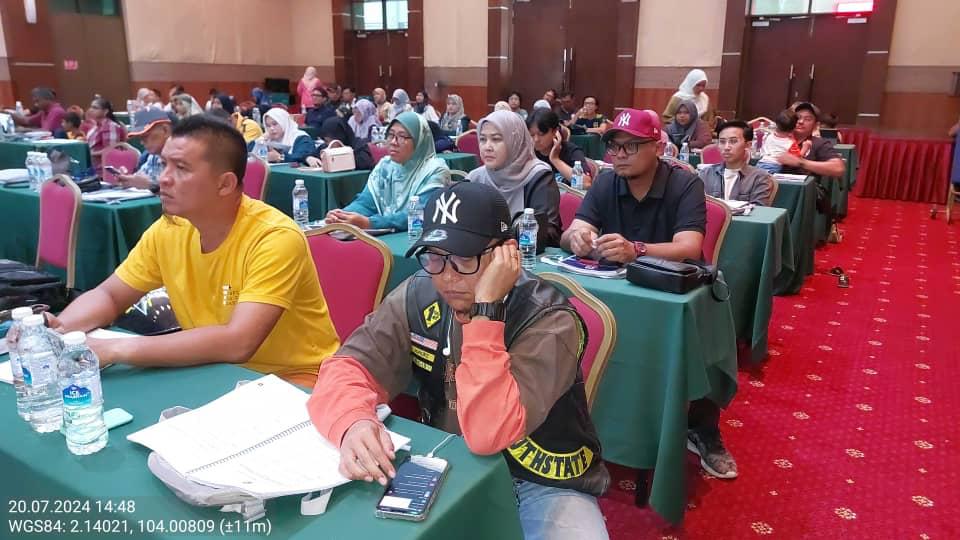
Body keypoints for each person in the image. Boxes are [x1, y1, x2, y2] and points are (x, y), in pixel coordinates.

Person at [309, 180, 611, 540]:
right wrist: (353, 423)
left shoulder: (549, 319)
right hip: (449, 458)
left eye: (465, 259)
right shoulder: (419, 292)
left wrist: (485, 313)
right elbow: (346, 368)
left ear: (506, 255)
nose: (448, 276)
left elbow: (488, 433)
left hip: (542, 480)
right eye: (435, 257)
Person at [46, 115, 340, 386]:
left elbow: (238, 342)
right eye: (164, 164)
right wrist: (58, 332)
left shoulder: (274, 237)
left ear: (225, 184)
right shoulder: (170, 229)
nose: (164, 178)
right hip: (215, 371)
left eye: (181, 168)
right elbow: (110, 295)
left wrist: (115, 349)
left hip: (296, 382)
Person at [560, 109, 738, 479]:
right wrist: (576, 238)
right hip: (619, 288)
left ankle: (702, 429)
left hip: (676, 291)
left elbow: (689, 246)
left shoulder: (684, 184)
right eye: (614, 147)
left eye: (631, 146)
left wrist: (635, 250)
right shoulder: (606, 182)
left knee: (693, 344)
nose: (619, 155)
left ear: (657, 148)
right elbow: (573, 230)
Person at [325, 111, 448, 231]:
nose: (393, 142)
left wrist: (370, 223)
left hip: (416, 236)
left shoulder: (434, 170)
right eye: (391, 135)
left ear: (419, 140)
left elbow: (417, 214)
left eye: (402, 136)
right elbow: (366, 203)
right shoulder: (386, 165)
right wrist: (342, 215)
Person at [468, 110, 562, 247]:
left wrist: (500, 238)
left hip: (527, 256)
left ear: (515, 141)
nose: (487, 147)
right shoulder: (474, 177)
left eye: (496, 139)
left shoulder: (538, 176)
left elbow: (548, 232)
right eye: (482, 139)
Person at [699, 120, 774, 205]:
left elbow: (759, 210)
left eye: (733, 141)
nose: (726, 147)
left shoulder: (759, 177)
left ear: (748, 145)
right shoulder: (706, 173)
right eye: (722, 142)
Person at [527, 108, 592, 188]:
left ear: (555, 131)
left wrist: (555, 160)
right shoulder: (528, 152)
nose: (536, 140)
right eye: (532, 135)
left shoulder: (571, 151)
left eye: (541, 134)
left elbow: (586, 183)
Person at [777, 102, 844, 178]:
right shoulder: (778, 138)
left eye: (807, 119)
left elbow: (838, 168)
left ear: (816, 125)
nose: (800, 121)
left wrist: (801, 162)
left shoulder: (819, 143)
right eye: (797, 118)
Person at [114, 108, 171, 192]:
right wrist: (128, 180)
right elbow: (140, 180)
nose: (141, 142)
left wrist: (151, 186)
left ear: (165, 130)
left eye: (145, 136)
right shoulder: (153, 156)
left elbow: (185, 194)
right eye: (140, 138)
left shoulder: (183, 156)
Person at [307, 116, 375, 171]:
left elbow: (365, 163)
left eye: (332, 141)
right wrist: (309, 158)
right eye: (326, 141)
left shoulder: (359, 146)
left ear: (341, 137)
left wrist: (340, 157)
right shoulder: (326, 147)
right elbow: (312, 155)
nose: (329, 144)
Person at [757, 109, 809, 174]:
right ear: (793, 129)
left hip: (760, 163)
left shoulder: (769, 136)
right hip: (774, 167)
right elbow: (796, 160)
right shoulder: (790, 143)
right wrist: (805, 148)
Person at [85, 98, 127, 174]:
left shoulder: (110, 126)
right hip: (92, 168)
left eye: (95, 108)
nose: (91, 110)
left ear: (105, 111)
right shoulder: (95, 127)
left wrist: (89, 154)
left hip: (104, 170)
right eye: (91, 107)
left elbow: (111, 151)